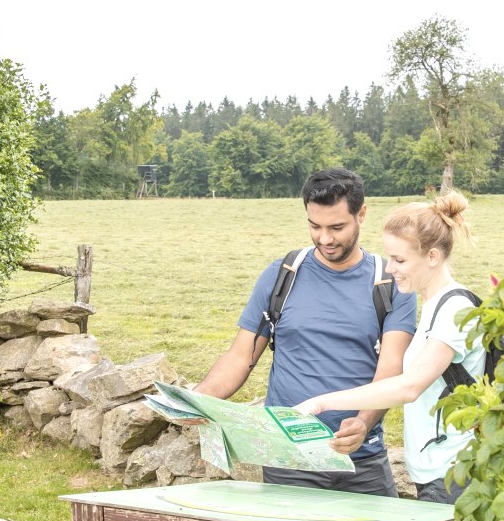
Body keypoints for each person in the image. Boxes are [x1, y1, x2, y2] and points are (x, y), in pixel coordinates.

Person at [189, 168, 417, 496]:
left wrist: (364, 422)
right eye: (315, 226)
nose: (325, 239)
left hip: (362, 461)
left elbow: (391, 368)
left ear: (361, 214)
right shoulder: (281, 275)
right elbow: (240, 357)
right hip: (289, 459)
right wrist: (198, 400)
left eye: (337, 227)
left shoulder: (391, 282)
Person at [295, 191, 481, 504]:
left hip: (455, 479)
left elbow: (410, 387)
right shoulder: (435, 307)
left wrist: (322, 403)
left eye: (400, 259)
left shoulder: (455, 309)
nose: (390, 268)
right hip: (440, 476)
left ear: (432, 257)